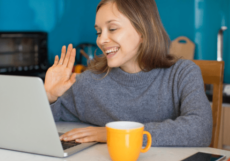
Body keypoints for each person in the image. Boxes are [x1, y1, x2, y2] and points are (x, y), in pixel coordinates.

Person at [44, 0, 212, 147]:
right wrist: (49, 97)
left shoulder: (182, 74)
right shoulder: (90, 81)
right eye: (98, 31)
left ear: (143, 32)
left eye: (112, 28)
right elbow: (49, 121)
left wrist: (113, 134)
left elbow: (200, 130)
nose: (101, 40)